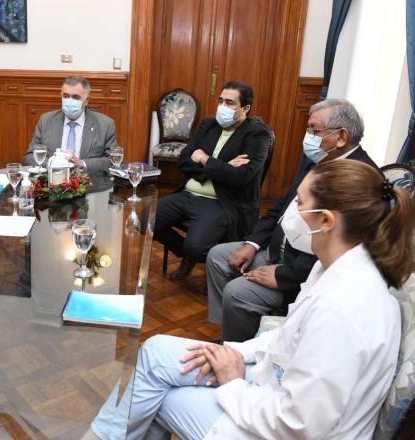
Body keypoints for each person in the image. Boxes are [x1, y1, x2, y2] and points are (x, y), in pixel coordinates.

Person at [124, 159, 413, 439]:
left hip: (287, 425)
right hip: (277, 384)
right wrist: (236, 352)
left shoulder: (343, 310)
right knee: (155, 352)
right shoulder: (332, 266)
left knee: (162, 396)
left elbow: (299, 424)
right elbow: (289, 335)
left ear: (326, 220)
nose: (290, 213)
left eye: (299, 202)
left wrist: (233, 384)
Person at [206, 98, 377, 342]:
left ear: (341, 136)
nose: (308, 137)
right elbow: (280, 209)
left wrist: (283, 276)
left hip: (301, 272)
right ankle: (231, 330)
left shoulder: (359, 180)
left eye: (314, 131)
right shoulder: (322, 161)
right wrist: (252, 244)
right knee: (217, 256)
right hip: (275, 249)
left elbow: (340, 254)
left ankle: (238, 347)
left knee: (236, 292)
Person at [154, 81, 271, 280]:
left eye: (229, 103)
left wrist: (204, 159)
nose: (222, 107)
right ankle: (186, 254)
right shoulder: (208, 125)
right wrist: (222, 167)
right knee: (143, 222)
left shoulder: (257, 134)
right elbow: (183, 161)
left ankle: (198, 257)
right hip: (187, 194)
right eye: (221, 101)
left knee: (196, 247)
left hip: (221, 201)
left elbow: (241, 177)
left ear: (245, 108)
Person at [23, 76, 117, 173]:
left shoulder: (105, 124)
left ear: (86, 100)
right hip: (52, 180)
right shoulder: (46, 121)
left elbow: (113, 160)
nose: (70, 101)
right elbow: (29, 156)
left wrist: (82, 164)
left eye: (76, 97)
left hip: (89, 181)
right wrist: (53, 163)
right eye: (66, 96)